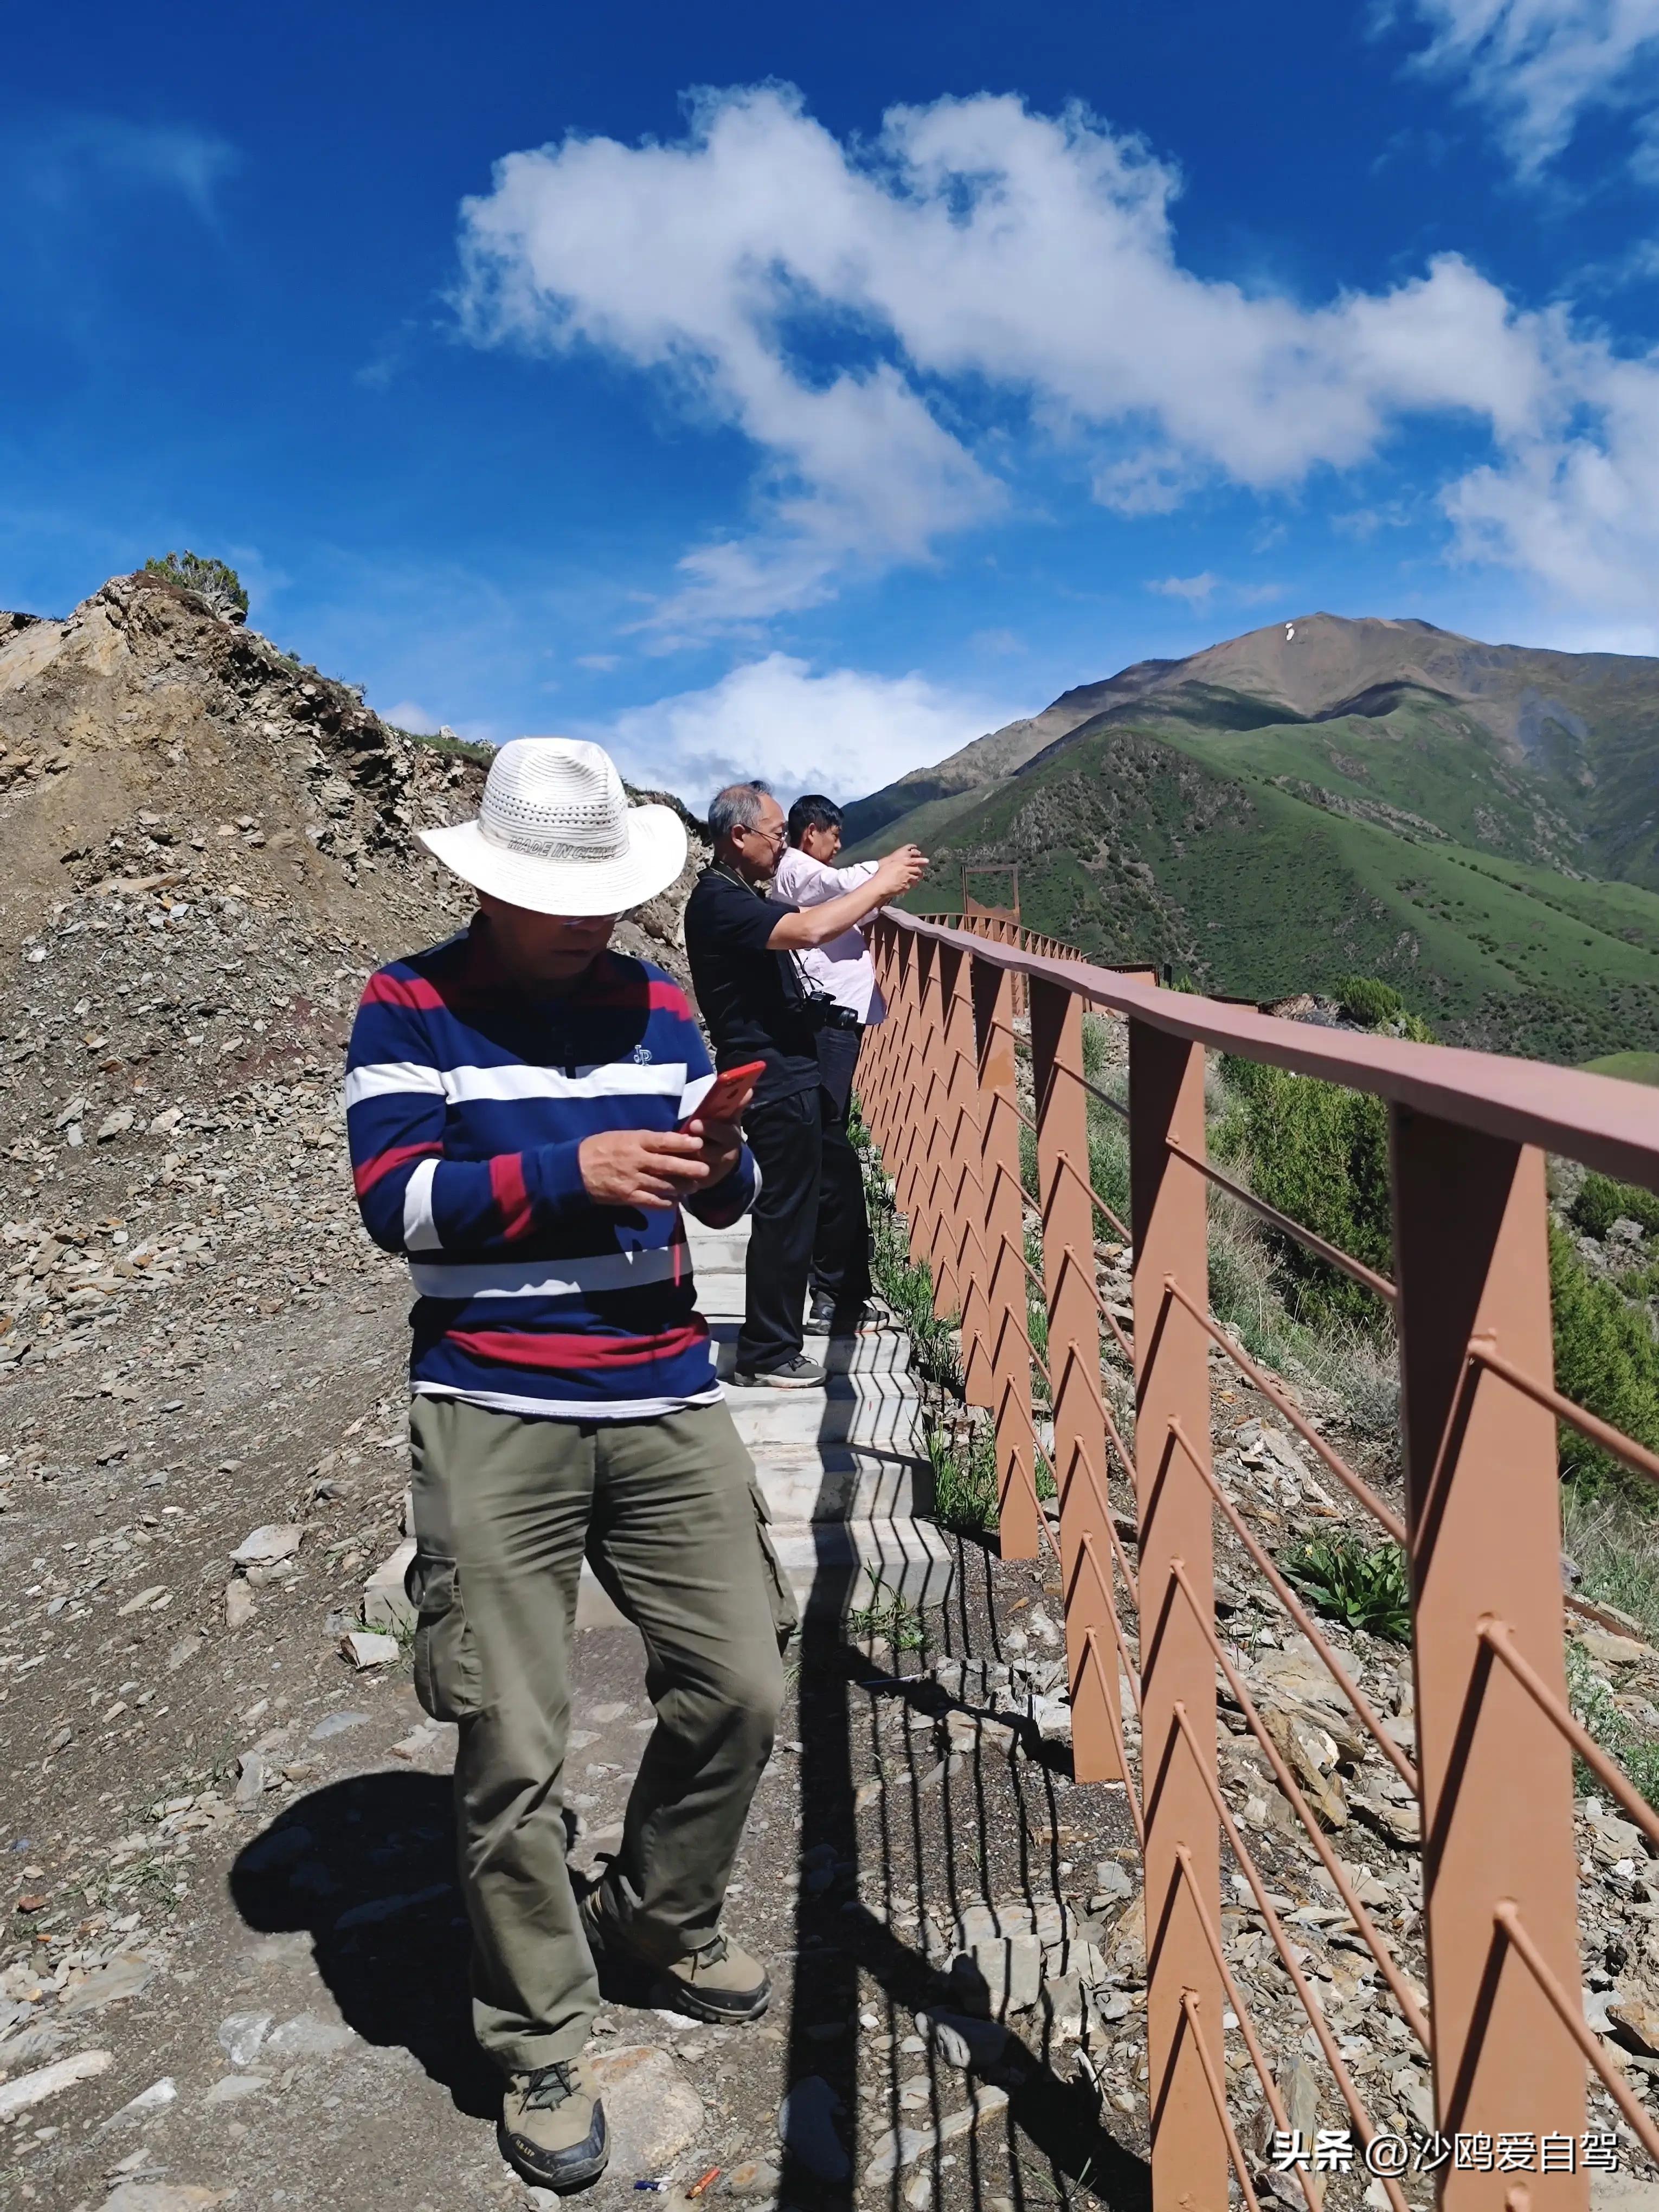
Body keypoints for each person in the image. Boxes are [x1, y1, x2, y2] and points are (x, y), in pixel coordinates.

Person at [346, 738, 796, 2195]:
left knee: (741, 1679)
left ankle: (656, 1919)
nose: (588, 918)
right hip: (490, 1400)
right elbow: (393, 1201)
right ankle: (541, 2039)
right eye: (561, 896)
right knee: (510, 1744)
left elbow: (718, 1195)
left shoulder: (657, 1003)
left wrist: (719, 1159)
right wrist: (572, 1172)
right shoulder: (409, 1003)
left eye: (602, 892)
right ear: (492, 884)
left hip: (662, 1385)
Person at [684, 781, 927, 1387]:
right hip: (772, 1073)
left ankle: (780, 1337)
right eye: (775, 836)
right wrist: (881, 885)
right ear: (738, 836)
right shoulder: (719, 901)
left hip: (786, 1067)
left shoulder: (736, 892)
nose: (782, 847)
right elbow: (811, 929)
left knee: (799, 1201)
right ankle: (768, 1351)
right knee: (785, 1212)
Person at [773, 794, 885, 1335]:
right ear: (810, 832)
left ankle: (836, 1289)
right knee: (828, 1154)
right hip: (828, 1025)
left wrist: (877, 890)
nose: (838, 845)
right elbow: (846, 889)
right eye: (833, 835)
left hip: (837, 1024)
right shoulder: (798, 871)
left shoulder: (808, 880)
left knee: (829, 1148)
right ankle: (832, 1293)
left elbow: (860, 903)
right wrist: (887, 871)